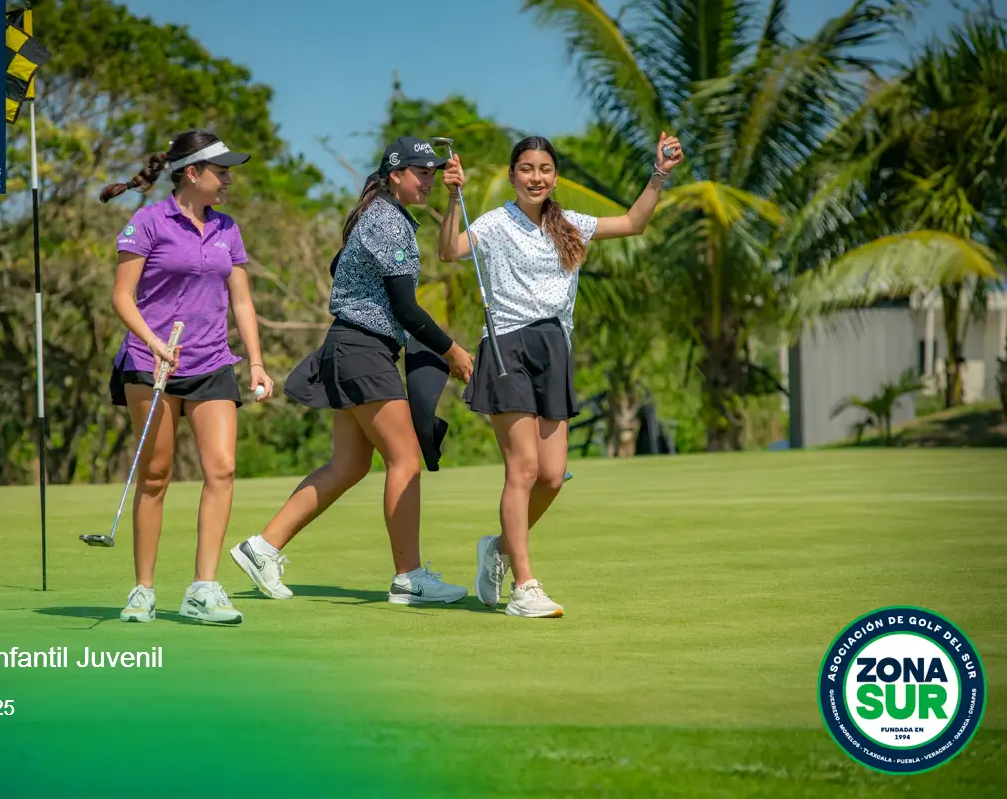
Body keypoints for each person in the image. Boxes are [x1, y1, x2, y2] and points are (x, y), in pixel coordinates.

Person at [438, 132, 684, 618]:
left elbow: (633, 223)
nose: (536, 177)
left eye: (545, 169)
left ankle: (500, 549)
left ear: (555, 177)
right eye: (526, 169)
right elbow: (450, 250)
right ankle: (524, 586)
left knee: (552, 476)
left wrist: (659, 174)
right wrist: (452, 198)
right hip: (507, 346)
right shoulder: (493, 222)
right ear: (513, 175)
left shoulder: (568, 223)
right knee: (524, 469)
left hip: (554, 349)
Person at [230, 136, 474, 605]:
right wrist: (453, 351)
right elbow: (406, 308)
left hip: (351, 347)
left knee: (350, 465)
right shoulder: (388, 220)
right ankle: (409, 577)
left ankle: (262, 547)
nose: (427, 180)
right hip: (363, 350)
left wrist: (452, 196)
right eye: (420, 173)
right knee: (405, 460)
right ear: (395, 175)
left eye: (432, 172)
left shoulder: (382, 215)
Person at [99, 129, 275, 625]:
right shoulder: (147, 222)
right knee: (156, 476)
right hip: (149, 361)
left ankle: (203, 587)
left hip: (212, 362)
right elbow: (122, 297)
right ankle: (143, 590)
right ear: (192, 173)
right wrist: (154, 344)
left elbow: (242, 301)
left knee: (222, 469)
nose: (228, 181)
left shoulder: (227, 228)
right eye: (221, 172)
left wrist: (256, 362)